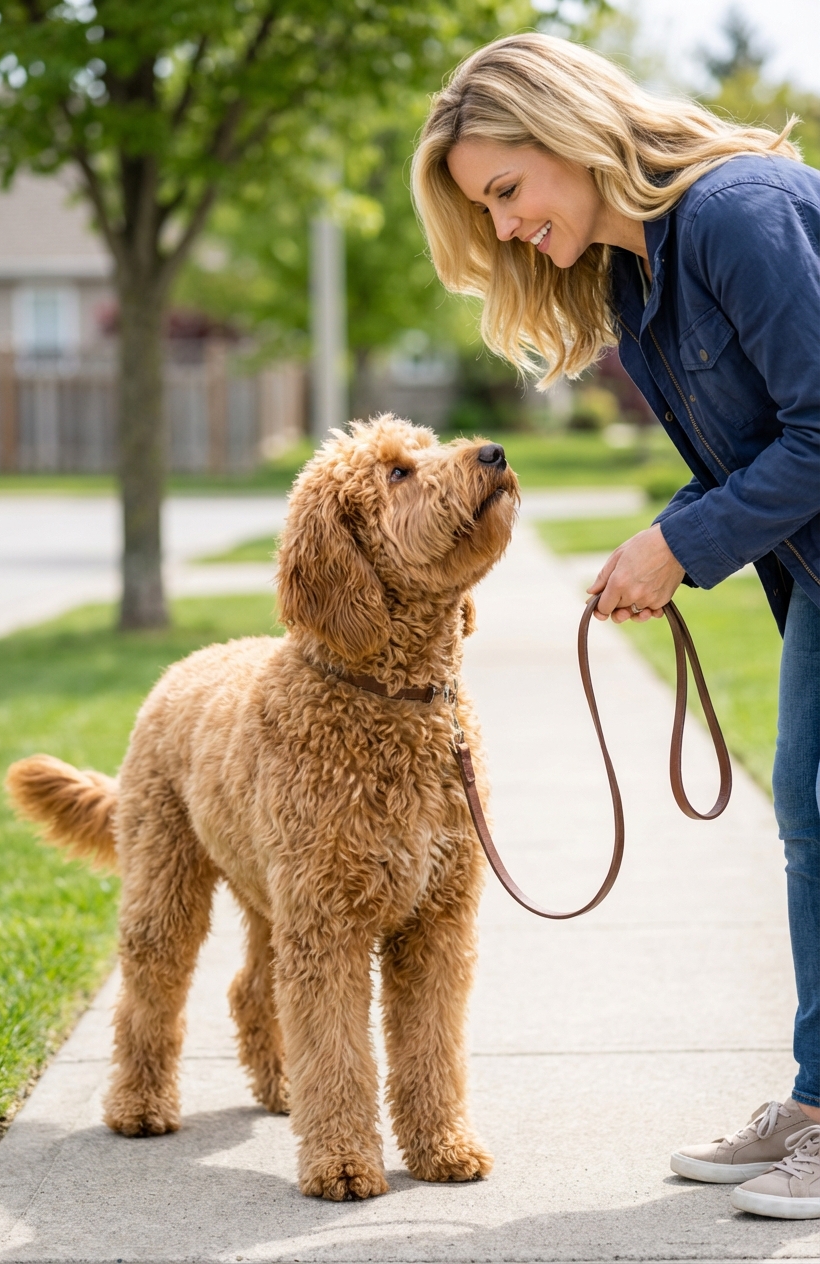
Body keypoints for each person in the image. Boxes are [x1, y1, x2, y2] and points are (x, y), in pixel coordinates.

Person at [412, 31, 820, 1219]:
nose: (500, 229)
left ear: (569, 133)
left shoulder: (741, 213)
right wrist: (659, 541)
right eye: (483, 208)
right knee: (804, 816)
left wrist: (678, 548)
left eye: (504, 191)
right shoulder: (638, 283)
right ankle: (813, 1097)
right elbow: (756, 456)